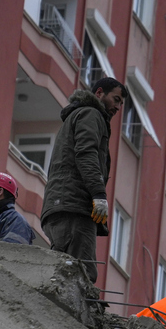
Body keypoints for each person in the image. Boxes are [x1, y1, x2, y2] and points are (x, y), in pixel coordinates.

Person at [40, 77, 127, 283]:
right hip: (74, 207)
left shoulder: (78, 116)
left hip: (62, 205)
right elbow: (86, 154)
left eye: (121, 103)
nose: (117, 107)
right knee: (81, 275)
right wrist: (98, 194)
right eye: (115, 99)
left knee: (64, 271)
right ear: (99, 93)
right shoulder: (91, 114)